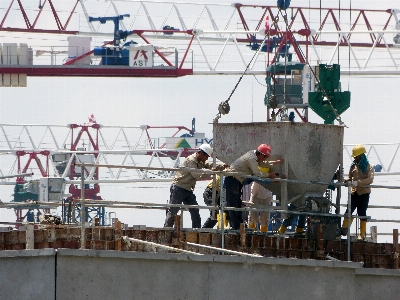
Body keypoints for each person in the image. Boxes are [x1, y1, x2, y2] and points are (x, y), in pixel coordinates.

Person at [164, 144, 224, 228]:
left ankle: (196, 230)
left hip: (188, 189)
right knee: (173, 210)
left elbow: (210, 165)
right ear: (201, 154)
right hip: (179, 188)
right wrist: (210, 172)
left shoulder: (201, 161)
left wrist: (223, 167)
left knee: (195, 209)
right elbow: (196, 174)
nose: (207, 158)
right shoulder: (191, 160)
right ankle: (167, 229)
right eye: (206, 156)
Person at [225, 144, 283, 230]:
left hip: (236, 180)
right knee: (233, 203)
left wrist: (274, 163)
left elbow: (262, 164)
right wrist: (269, 175)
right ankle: (236, 227)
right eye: (265, 157)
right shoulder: (251, 158)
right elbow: (257, 174)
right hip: (232, 179)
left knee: (237, 203)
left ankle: (240, 226)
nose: (265, 159)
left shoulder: (254, 156)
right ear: (261, 154)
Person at [341, 144, 374, 240]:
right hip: (354, 192)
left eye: (357, 157)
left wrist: (358, 183)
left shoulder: (369, 167)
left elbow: (370, 179)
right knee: (349, 210)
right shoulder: (353, 166)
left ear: (362, 156)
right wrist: (346, 180)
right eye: (354, 157)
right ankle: (344, 229)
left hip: (364, 193)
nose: (355, 158)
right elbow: (350, 178)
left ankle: (362, 235)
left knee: (362, 212)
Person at [248, 166, 274, 233]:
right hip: (255, 192)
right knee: (252, 215)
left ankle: (263, 234)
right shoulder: (257, 165)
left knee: (265, 217)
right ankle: (250, 233)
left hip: (267, 193)